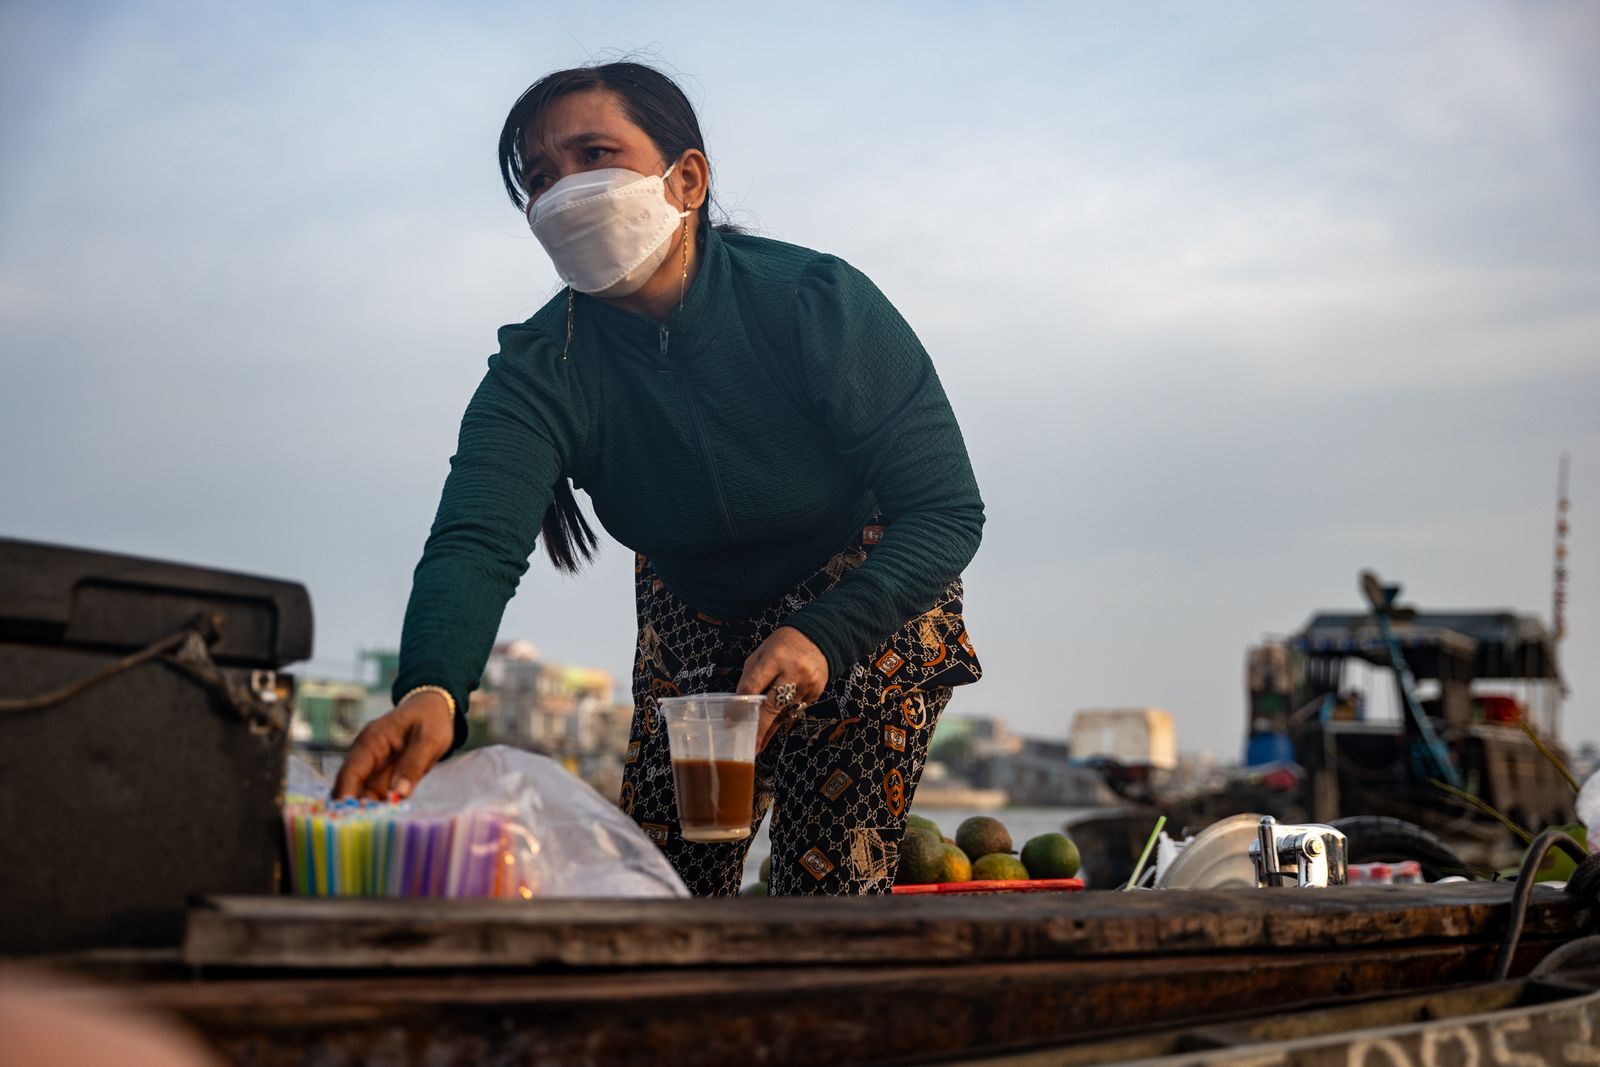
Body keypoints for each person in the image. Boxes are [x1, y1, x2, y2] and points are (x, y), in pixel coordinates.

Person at [333, 61, 984, 895]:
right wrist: (431, 688)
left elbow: (945, 509)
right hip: (692, 618)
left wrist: (826, 630)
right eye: (540, 177)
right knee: (657, 886)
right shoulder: (543, 367)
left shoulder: (815, 302)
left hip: (864, 595)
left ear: (687, 179)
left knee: (826, 893)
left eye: (596, 155)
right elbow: (475, 540)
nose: (565, 190)